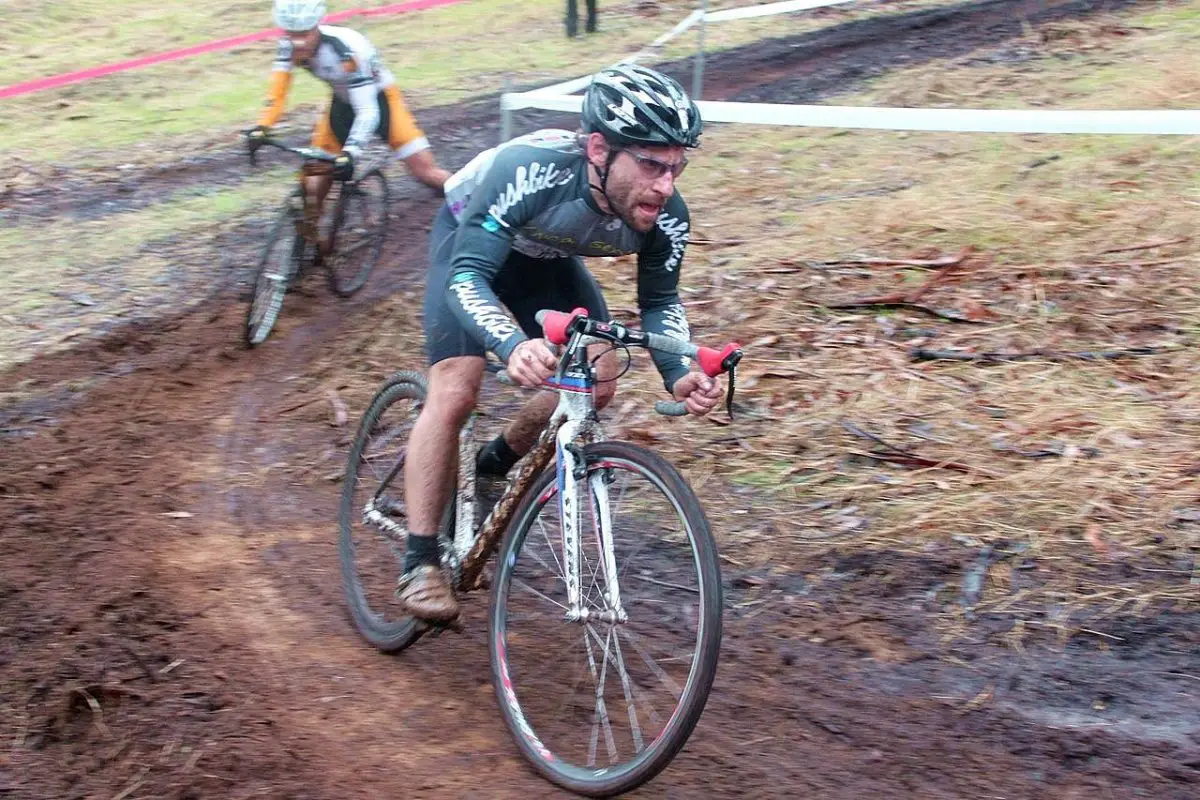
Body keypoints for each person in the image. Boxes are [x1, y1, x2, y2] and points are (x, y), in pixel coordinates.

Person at [397, 64, 723, 623]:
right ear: (599, 148)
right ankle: (420, 558)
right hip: (469, 247)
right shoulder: (530, 172)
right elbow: (467, 277)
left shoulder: (667, 214)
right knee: (455, 388)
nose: (665, 186)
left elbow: (660, 303)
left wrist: (678, 372)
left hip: (546, 259)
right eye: (650, 164)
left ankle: (493, 464)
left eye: (675, 167)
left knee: (599, 380)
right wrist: (510, 343)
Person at [247, 0, 449, 244]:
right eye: (291, 34)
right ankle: (306, 246)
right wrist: (262, 126)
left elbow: (367, 111)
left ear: (317, 26)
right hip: (342, 104)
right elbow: (278, 91)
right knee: (314, 180)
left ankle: (474, 200)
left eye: (304, 34)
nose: (298, 42)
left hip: (381, 102)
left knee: (425, 172)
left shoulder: (346, 52)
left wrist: (351, 152)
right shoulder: (288, 46)